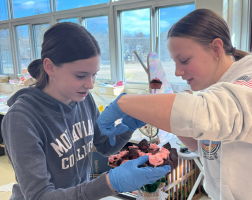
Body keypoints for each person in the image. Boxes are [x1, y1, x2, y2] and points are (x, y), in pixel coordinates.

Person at [97, 9, 252, 200]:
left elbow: (207, 115)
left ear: (216, 48)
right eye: (175, 62)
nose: (177, 71)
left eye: (184, 60)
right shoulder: (215, 88)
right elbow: (203, 147)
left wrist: (125, 103)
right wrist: (155, 115)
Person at [2, 22, 170, 200]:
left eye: (94, 74)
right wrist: (109, 184)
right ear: (50, 67)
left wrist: (127, 126)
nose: (90, 85)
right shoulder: (22, 119)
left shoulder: (83, 99)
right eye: (81, 75)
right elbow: (39, 196)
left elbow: (105, 146)